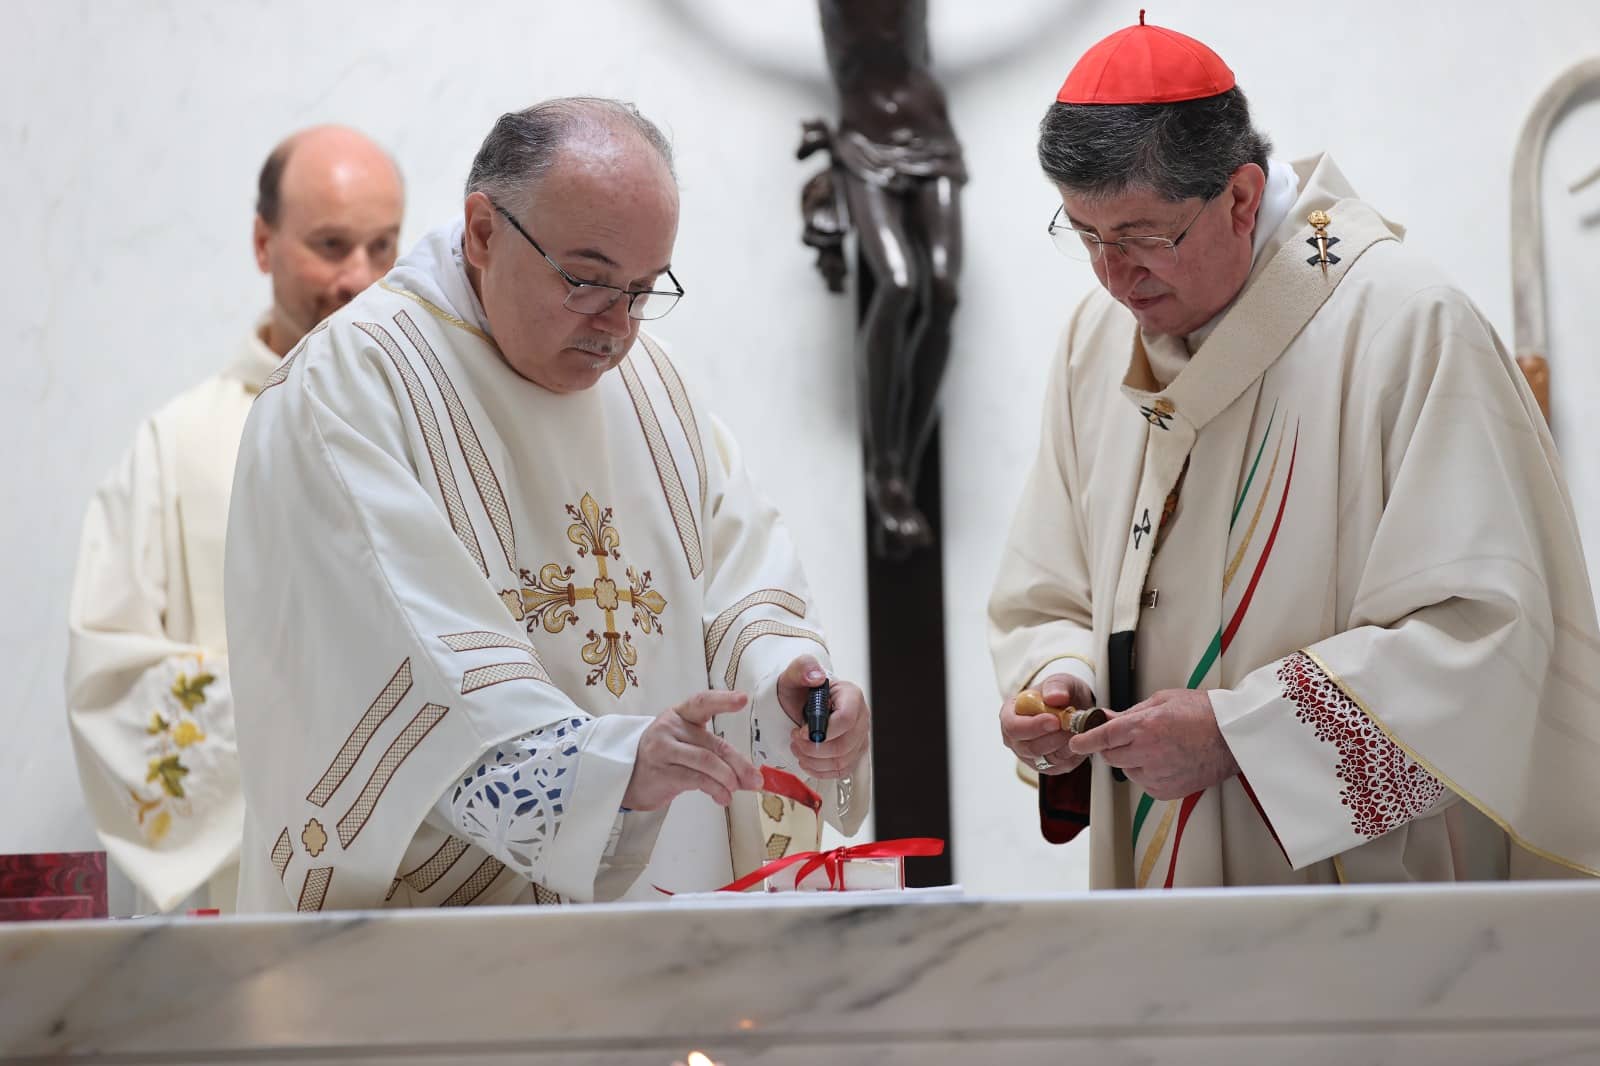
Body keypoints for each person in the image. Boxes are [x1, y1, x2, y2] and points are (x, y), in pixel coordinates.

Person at [988, 15, 1600, 887]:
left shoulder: (1404, 325)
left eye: (1143, 237)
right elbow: (1048, 589)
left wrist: (1246, 735)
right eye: (1086, 237)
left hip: (1358, 884)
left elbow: (1488, 638)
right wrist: (1058, 687)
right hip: (1157, 863)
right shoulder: (1096, 340)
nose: (1115, 278)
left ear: (1240, 198)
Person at [224, 98, 873, 913]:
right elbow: (407, 653)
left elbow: (740, 580)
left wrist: (789, 684)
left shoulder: (655, 388)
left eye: (643, 289)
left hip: (661, 928)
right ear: (483, 232)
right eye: (588, 280)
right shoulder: (353, 383)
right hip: (450, 957)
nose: (617, 327)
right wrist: (607, 772)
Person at [65, 126, 405, 913]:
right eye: (330, 245)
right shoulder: (176, 447)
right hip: (253, 896)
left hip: (434, 897)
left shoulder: (443, 433)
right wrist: (328, 706)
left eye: (382, 247)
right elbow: (108, 684)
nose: (359, 278)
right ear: (263, 243)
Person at [801, 0, 966, 558]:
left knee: (942, 290)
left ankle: (906, 466)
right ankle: (887, 474)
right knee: (897, 284)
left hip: (931, 133)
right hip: (864, 139)